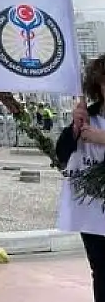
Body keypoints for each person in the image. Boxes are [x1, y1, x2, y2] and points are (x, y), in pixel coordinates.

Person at [57, 54, 105, 301]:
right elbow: (61, 155)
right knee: (102, 271)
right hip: (94, 211)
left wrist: (102, 139)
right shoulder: (88, 117)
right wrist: (74, 130)